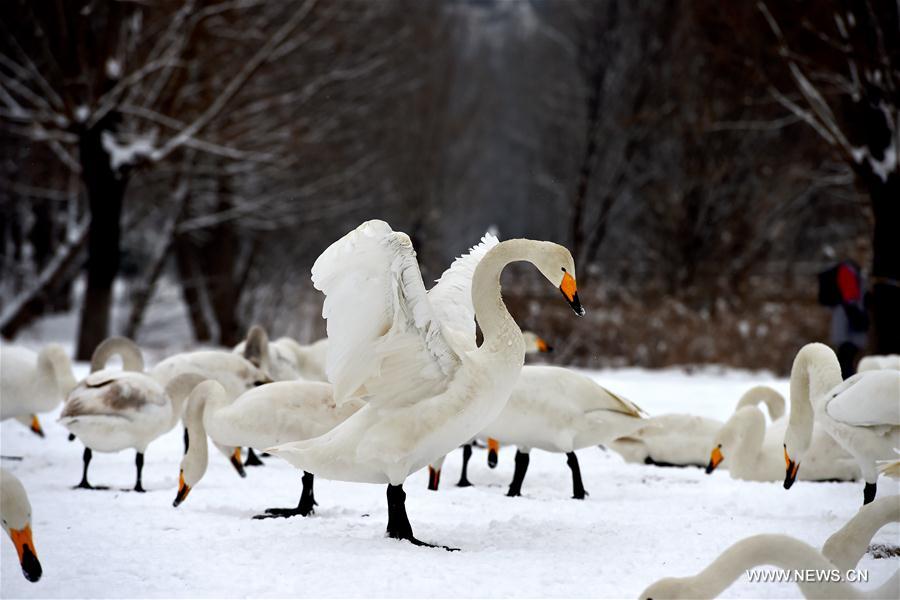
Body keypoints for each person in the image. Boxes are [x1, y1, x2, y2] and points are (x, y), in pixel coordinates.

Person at [818, 260, 868, 378]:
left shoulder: (852, 270)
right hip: (847, 322)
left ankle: (843, 382)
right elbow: (849, 294)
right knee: (846, 355)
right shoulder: (848, 270)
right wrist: (856, 314)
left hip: (845, 321)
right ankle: (845, 383)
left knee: (845, 355)